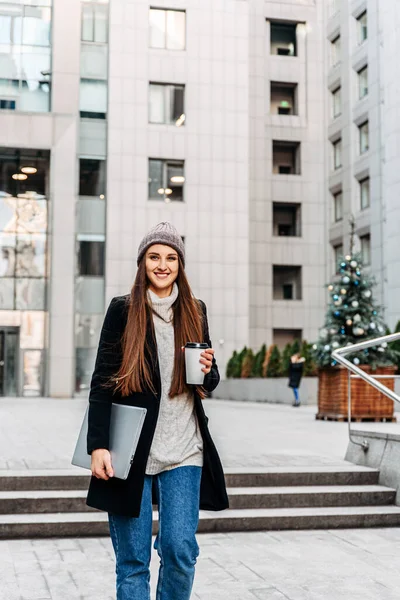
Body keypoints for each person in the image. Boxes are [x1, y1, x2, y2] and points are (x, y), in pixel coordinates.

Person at [86, 222, 229, 600]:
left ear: (180, 264)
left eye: (171, 257)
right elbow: (102, 381)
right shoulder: (123, 311)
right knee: (133, 561)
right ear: (142, 262)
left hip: (184, 447)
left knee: (179, 549)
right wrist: (97, 446)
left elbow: (208, 381)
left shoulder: (195, 310)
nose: (162, 264)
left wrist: (208, 372)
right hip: (129, 449)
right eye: (154, 256)